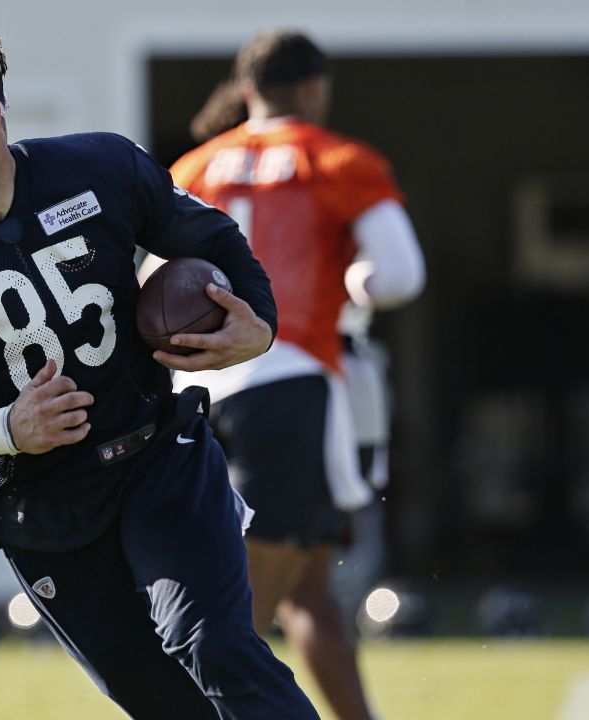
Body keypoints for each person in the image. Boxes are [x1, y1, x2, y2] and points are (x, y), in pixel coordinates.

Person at [0, 24, 318, 720]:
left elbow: (211, 235)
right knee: (170, 706)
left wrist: (259, 322)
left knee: (215, 646)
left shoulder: (100, 170)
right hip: (44, 505)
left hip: (157, 459)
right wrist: (6, 428)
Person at [158, 29, 426, 720]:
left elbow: (148, 287)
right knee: (233, 628)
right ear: (315, 88)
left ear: (247, 91)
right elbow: (399, 273)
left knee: (310, 595)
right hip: (288, 388)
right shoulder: (336, 159)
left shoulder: (192, 167)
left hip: (197, 396)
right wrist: (358, 284)